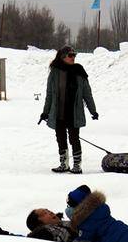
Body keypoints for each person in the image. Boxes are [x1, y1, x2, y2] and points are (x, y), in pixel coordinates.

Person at [38, 45, 98, 174]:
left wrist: (93, 111)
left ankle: (77, 165)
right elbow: (49, 94)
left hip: (74, 113)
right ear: (63, 57)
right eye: (70, 55)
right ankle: (63, 164)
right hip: (58, 112)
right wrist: (45, 112)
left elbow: (87, 93)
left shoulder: (79, 71)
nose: (73, 57)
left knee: (74, 138)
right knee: (60, 138)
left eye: (74, 55)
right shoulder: (55, 72)